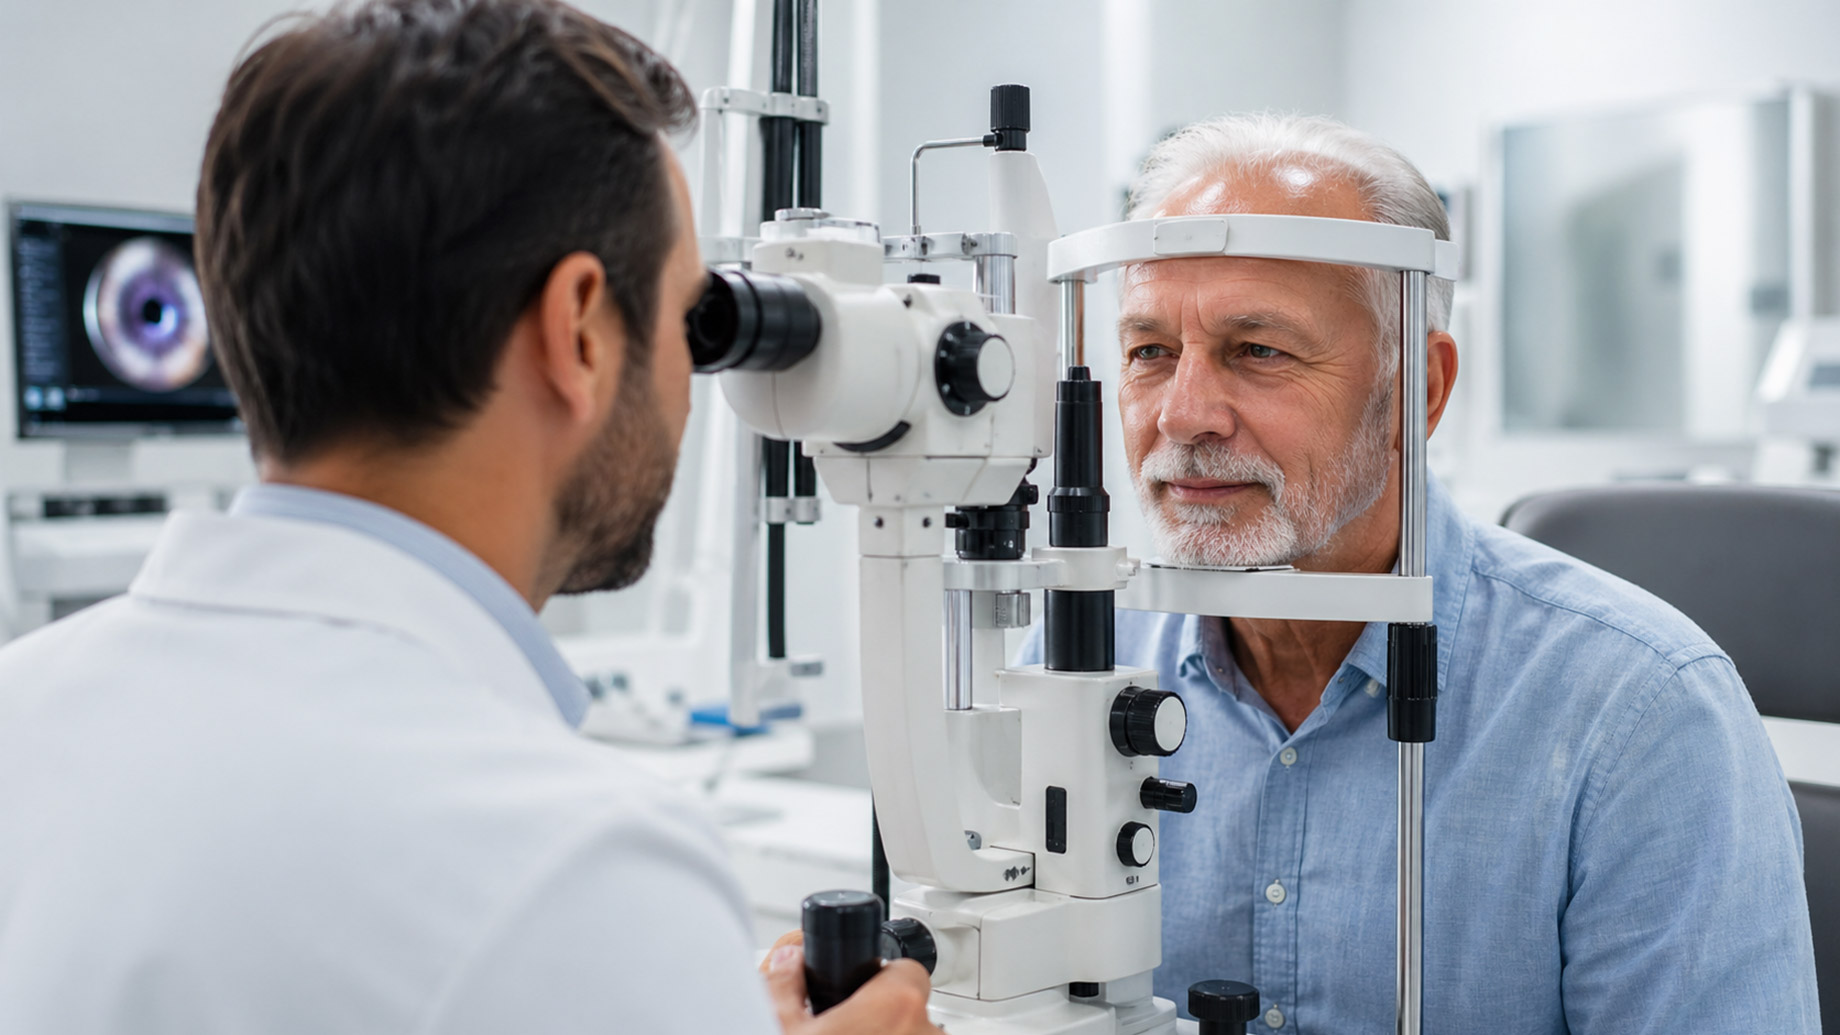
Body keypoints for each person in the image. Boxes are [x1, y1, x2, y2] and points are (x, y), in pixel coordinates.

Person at [0, 2, 937, 1032]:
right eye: (686, 321)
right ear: (578, 329)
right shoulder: (580, 874)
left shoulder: (21, 714)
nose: (689, 381)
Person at [1029, 113, 1820, 1032]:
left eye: (1260, 351)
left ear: (1422, 389)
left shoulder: (1641, 717)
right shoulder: (1080, 660)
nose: (1185, 413)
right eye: (1149, 352)